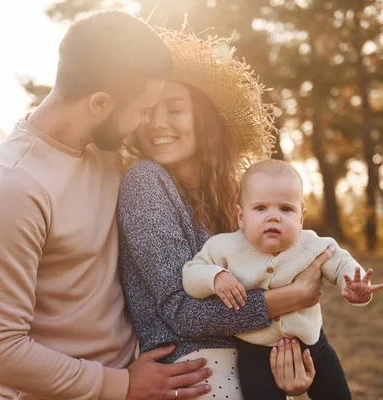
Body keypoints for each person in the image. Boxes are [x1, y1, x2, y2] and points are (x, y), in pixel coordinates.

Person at [0, 11, 216, 400]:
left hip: (131, 379)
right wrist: (120, 385)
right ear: (100, 103)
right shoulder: (11, 188)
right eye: (144, 109)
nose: (147, 122)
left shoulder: (102, 145)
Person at [117, 30, 331, 399]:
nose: (157, 122)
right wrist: (294, 297)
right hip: (194, 371)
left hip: (255, 363)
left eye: (174, 108)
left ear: (204, 117)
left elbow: (275, 275)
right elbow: (181, 311)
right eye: (148, 110)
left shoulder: (239, 196)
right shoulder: (145, 182)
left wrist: (291, 367)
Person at [183, 159, 383, 399]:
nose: (273, 217)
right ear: (241, 216)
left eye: (286, 209)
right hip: (255, 355)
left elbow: (342, 262)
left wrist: (354, 284)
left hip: (313, 347)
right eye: (260, 208)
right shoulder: (224, 247)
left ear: (301, 217)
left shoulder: (312, 244)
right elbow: (191, 273)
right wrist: (216, 276)